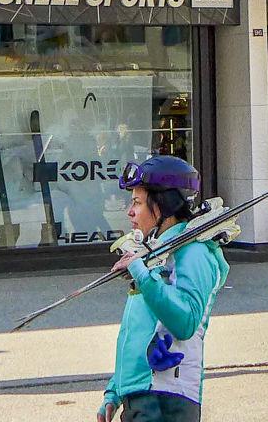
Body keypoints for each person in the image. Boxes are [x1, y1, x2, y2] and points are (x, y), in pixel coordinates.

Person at [99, 155, 229, 422]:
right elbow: (137, 332)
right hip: (140, 395)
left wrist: (143, 277)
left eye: (137, 202)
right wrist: (114, 390)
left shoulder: (193, 253)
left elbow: (186, 321)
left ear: (163, 205)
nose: (130, 212)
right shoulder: (152, 254)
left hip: (168, 397)